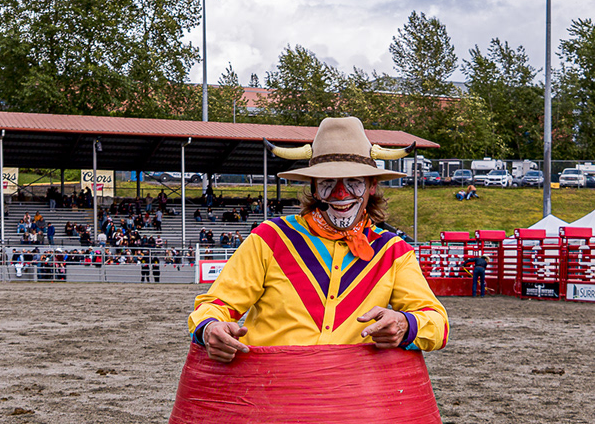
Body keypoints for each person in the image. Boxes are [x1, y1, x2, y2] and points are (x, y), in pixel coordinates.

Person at [192, 117, 448, 363]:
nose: (340, 193)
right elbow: (216, 303)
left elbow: (437, 323)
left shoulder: (393, 251)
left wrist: (405, 324)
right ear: (313, 186)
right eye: (328, 182)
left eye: (354, 182)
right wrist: (210, 328)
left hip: (351, 397)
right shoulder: (270, 238)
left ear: (372, 186)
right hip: (269, 392)